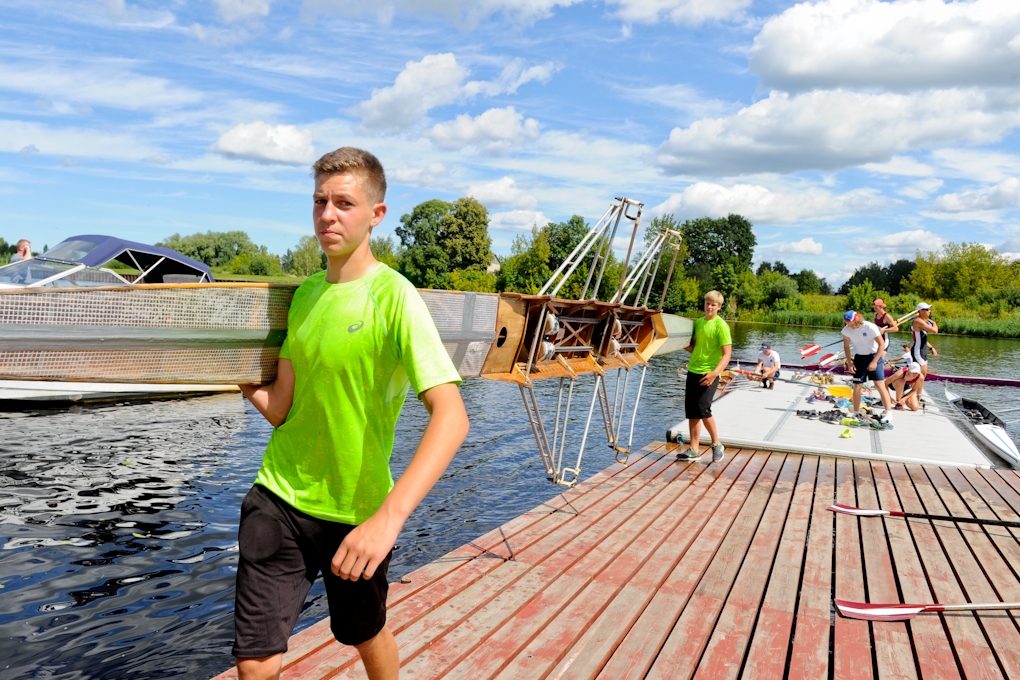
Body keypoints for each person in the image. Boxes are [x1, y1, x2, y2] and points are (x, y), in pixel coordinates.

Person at [233, 147, 469, 680]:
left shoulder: (396, 299)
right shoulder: (306, 297)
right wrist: (240, 372)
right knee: (255, 662)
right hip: (280, 496)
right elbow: (282, 409)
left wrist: (388, 520)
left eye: (343, 203)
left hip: (359, 514)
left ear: (375, 214)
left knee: (361, 632)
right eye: (319, 201)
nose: (327, 215)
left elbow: (452, 417)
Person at [679, 290, 732, 463]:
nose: (709, 307)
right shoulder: (699, 323)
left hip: (710, 373)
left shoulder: (721, 326)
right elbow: (694, 347)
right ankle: (694, 449)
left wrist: (715, 373)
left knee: (703, 409)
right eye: (707, 303)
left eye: (713, 304)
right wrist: (677, 342)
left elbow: (727, 355)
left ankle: (717, 444)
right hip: (693, 370)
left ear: (719, 307)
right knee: (692, 412)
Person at [841, 311, 894, 418]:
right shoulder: (846, 330)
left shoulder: (870, 327)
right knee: (857, 386)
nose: (849, 325)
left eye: (851, 323)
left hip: (874, 355)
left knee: (879, 385)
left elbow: (881, 344)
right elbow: (846, 347)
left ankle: (889, 413)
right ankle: (856, 412)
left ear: (857, 319)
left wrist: (874, 361)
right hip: (860, 358)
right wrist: (850, 363)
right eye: (847, 323)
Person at [910, 302, 939, 384]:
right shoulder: (918, 321)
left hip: (922, 351)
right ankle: (915, 394)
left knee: (922, 375)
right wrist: (935, 324)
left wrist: (931, 348)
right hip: (918, 351)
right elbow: (935, 331)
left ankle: (917, 394)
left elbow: (922, 340)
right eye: (927, 309)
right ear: (921, 311)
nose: (929, 311)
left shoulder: (922, 322)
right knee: (920, 376)